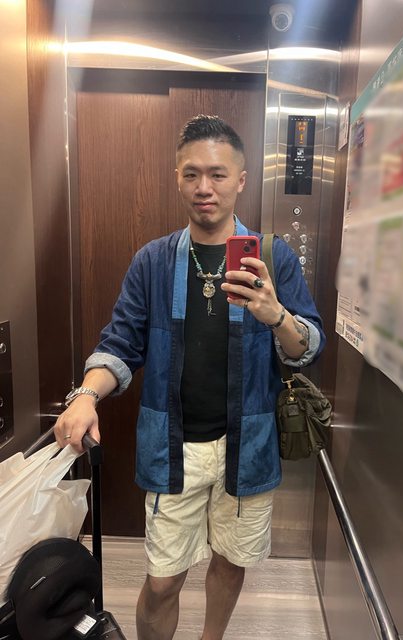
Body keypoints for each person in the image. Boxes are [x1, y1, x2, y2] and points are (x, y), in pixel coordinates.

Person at [54, 114, 325, 640]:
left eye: (218, 174)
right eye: (192, 174)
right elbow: (120, 343)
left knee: (229, 561)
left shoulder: (273, 257)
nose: (205, 187)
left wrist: (276, 315)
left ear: (241, 180)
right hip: (173, 447)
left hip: (248, 444)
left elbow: (307, 349)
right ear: (177, 178)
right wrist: (86, 395)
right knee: (162, 581)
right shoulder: (153, 262)